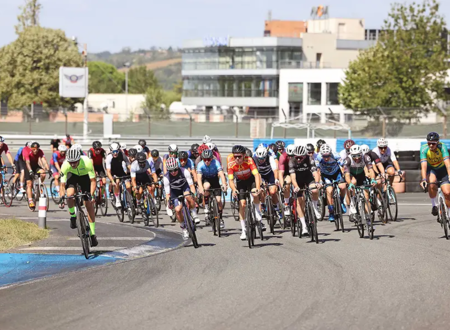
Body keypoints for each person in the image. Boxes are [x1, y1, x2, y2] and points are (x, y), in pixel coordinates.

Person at [60, 148, 98, 246]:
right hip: (72, 176)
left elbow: (93, 181)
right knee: (69, 195)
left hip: (85, 177)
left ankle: (93, 234)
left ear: (79, 159)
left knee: (89, 204)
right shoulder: (65, 165)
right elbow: (62, 185)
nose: (72, 164)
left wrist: (91, 194)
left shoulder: (87, 162)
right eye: (70, 162)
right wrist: (61, 197)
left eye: (75, 162)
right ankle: (73, 216)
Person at [227, 145, 262, 240]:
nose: (237, 158)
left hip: (251, 180)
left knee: (255, 193)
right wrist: (234, 189)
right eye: (235, 156)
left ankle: (257, 212)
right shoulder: (231, 164)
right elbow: (230, 180)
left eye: (239, 156)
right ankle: (243, 230)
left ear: (244, 155)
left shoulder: (249, 160)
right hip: (240, 182)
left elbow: (256, 175)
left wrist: (258, 188)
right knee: (242, 204)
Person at [289, 145, 322, 236]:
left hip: (308, 177)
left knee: (314, 190)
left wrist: (317, 182)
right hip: (298, 180)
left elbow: (315, 172)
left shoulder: (310, 159)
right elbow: (293, 177)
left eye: (301, 157)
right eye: (297, 157)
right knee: (300, 201)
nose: (299, 159)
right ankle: (304, 226)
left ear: (304, 156)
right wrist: (295, 186)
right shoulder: (291, 161)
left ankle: (315, 208)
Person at [164, 157, 200, 239]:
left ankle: (194, 214)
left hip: (184, 187)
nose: (173, 172)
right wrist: (169, 203)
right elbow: (168, 194)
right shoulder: (166, 178)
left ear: (178, 167)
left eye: (175, 170)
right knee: (177, 210)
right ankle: (183, 227)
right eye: (171, 171)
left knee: (188, 196)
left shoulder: (184, 171)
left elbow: (191, 185)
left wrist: (194, 195)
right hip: (174, 192)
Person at [420, 132, 450, 217]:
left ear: (437, 142)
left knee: (447, 193)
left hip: (442, 169)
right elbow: (424, 166)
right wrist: (424, 179)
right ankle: (434, 205)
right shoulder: (424, 149)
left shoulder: (442, 147)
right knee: (432, 183)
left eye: (433, 143)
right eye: (429, 143)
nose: (431, 146)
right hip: (432, 169)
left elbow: (448, 164)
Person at [343, 145, 377, 219]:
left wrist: (373, 179)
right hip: (351, 175)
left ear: (361, 154)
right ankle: (351, 207)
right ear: (351, 155)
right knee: (353, 183)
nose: (357, 158)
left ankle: (367, 215)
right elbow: (347, 175)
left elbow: (371, 170)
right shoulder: (348, 160)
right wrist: (350, 184)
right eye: (354, 156)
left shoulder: (366, 157)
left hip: (361, 175)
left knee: (366, 196)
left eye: (359, 155)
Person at [196, 149, 227, 227]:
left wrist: (224, 184)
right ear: (202, 159)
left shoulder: (216, 163)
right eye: (205, 159)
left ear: (211, 159)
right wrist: (200, 187)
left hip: (214, 179)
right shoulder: (200, 164)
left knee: (219, 200)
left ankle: (220, 219)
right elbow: (199, 178)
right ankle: (206, 205)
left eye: (209, 159)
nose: (207, 161)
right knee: (206, 186)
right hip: (205, 179)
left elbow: (221, 174)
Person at [316, 144, 347, 222]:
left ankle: (342, 201)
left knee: (342, 187)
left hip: (336, 173)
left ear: (330, 153)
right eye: (324, 156)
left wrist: (344, 175)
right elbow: (318, 171)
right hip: (326, 175)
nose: (326, 158)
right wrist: (319, 182)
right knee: (329, 191)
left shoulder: (336, 155)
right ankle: (331, 211)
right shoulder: (319, 157)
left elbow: (343, 166)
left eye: (328, 156)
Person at [253, 146, 282, 220]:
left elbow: (275, 170)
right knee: (261, 191)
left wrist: (276, 179)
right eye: (260, 159)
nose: (261, 160)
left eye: (263, 158)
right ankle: (262, 205)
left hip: (270, 174)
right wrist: (260, 183)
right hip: (260, 175)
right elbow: (256, 173)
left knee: (273, 192)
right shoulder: (254, 158)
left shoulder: (270, 157)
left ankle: (277, 208)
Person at [24, 142, 51, 208]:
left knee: (43, 173)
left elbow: (44, 160)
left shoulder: (40, 152)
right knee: (29, 184)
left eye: (37, 149)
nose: (35, 151)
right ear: (31, 148)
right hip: (28, 167)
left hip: (36, 166)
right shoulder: (27, 152)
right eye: (34, 149)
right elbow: (27, 162)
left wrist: (48, 169)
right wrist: (30, 171)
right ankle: (30, 201)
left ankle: (40, 185)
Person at [105, 142, 130, 208]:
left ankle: (128, 200)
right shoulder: (109, 158)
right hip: (113, 172)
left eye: (117, 151)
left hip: (120, 171)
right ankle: (117, 200)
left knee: (128, 185)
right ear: (111, 151)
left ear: (119, 150)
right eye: (114, 151)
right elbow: (108, 172)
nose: (115, 153)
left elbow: (127, 163)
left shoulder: (122, 154)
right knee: (117, 182)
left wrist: (131, 171)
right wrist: (112, 181)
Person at [278, 144, 295, 216]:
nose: (291, 157)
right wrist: (282, 186)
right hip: (287, 172)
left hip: (296, 171)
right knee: (287, 184)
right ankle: (286, 204)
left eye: (292, 156)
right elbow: (280, 173)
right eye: (289, 156)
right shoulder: (283, 157)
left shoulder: (299, 157)